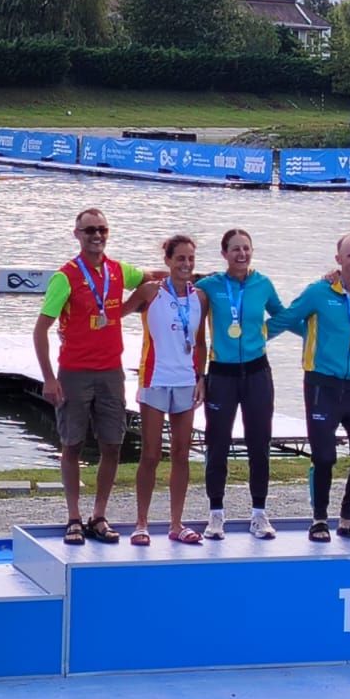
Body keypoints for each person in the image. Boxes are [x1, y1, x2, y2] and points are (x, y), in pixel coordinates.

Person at [32, 208, 160, 546]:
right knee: (72, 445)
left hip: (111, 372)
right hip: (73, 372)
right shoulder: (65, 277)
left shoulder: (118, 270)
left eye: (102, 229)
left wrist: (193, 274)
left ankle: (99, 516)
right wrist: (49, 378)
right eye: (89, 230)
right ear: (76, 234)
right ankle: (74, 517)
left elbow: (152, 277)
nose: (97, 235)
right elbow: (41, 329)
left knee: (112, 444)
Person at [267, 233, 350, 542]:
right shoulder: (318, 292)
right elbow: (287, 318)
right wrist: (248, 341)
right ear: (338, 259)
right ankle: (319, 519)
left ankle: (347, 518)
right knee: (324, 458)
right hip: (321, 385)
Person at [194, 228, 285, 540]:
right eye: (235, 249)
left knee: (259, 444)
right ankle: (216, 514)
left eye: (246, 248)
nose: (241, 254)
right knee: (217, 444)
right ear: (224, 254)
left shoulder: (263, 284)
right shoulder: (210, 285)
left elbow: (283, 316)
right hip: (221, 374)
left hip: (258, 373)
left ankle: (259, 514)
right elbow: (179, 286)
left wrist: (263, 334)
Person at [124, 234, 209, 546]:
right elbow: (115, 313)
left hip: (186, 382)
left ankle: (176, 523)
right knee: (150, 454)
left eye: (190, 259)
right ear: (168, 261)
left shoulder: (200, 298)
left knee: (181, 454)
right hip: (155, 379)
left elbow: (200, 342)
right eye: (180, 258)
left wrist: (202, 377)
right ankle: (141, 523)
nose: (186, 264)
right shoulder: (151, 291)